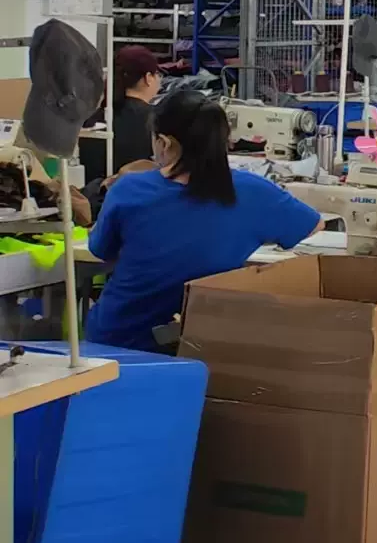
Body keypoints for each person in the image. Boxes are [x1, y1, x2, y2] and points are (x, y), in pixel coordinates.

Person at [85, 92, 322, 352]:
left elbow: (100, 249)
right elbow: (314, 225)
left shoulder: (128, 188)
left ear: (164, 143)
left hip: (117, 342)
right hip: (199, 346)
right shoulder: (255, 192)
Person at [79, 45, 162, 186]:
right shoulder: (158, 120)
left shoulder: (91, 119)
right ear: (148, 78)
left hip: (91, 194)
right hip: (136, 195)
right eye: (157, 74)